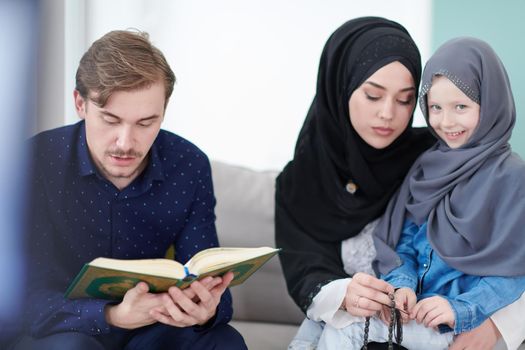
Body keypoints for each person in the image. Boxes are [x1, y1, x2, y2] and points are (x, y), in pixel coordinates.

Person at [275, 17, 525, 350]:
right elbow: (308, 275)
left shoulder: (441, 153)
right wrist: (346, 294)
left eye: (405, 99)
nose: (388, 114)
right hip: (379, 321)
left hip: (444, 325)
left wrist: (498, 324)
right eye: (373, 95)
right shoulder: (300, 182)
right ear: (341, 86)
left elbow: (513, 260)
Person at [11, 30, 247, 350]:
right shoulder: (36, 160)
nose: (125, 143)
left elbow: (204, 269)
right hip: (65, 328)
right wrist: (112, 315)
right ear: (80, 103)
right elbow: (21, 297)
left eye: (146, 123)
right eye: (110, 119)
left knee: (224, 341)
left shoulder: (189, 165)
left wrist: (207, 309)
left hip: (154, 326)